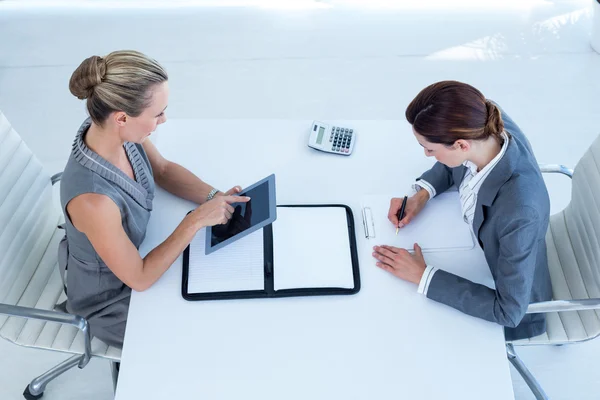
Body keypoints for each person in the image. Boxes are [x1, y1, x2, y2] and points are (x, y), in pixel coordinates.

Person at [59, 50, 249, 348]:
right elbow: (140, 278)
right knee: (211, 335)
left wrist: (215, 197)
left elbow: (162, 170)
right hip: (114, 299)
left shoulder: (114, 132)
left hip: (144, 250)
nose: (163, 119)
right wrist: (196, 220)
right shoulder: (93, 201)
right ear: (122, 117)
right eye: (157, 114)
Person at [372, 80, 552, 340]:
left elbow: (509, 311)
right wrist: (422, 195)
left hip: (503, 291)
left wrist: (423, 276)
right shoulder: (483, 125)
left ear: (461, 145)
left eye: (430, 149)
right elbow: (454, 163)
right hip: (480, 246)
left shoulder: (519, 212)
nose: (426, 154)